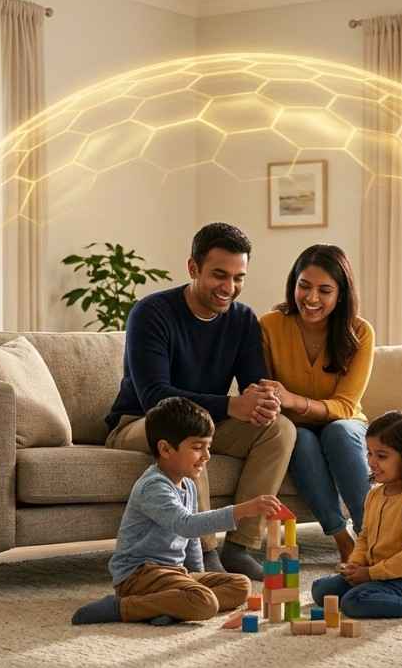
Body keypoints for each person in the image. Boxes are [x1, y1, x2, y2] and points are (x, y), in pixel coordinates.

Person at [105, 222, 295, 580]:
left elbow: (255, 384)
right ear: (193, 269)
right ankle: (206, 553)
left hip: (207, 421)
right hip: (140, 422)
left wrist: (265, 401)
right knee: (191, 439)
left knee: (279, 429)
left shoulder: (241, 320)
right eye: (219, 275)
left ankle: (241, 547)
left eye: (239, 277)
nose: (229, 288)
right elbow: (153, 397)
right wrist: (229, 405)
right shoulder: (151, 313)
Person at [73, 397, 283, 625]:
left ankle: (170, 607)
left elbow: (191, 538)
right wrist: (242, 510)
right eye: (197, 447)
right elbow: (186, 524)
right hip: (140, 575)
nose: (206, 456)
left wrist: (198, 576)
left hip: (174, 572)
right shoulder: (153, 486)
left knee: (241, 585)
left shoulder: (189, 485)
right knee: (206, 602)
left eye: (208, 447)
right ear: (165, 449)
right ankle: (122, 607)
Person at [257, 244, 374, 562]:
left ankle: (372, 536)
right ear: (293, 283)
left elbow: (346, 405)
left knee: (337, 432)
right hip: (295, 426)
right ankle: (341, 539)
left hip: (344, 424)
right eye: (304, 286)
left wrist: (295, 400)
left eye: (324, 290)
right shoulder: (269, 325)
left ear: (341, 294)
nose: (311, 298)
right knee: (298, 439)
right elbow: (263, 389)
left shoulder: (360, 332)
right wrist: (286, 406)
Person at [310, 411, 402, 619]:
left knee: (354, 603)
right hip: (374, 571)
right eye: (369, 453)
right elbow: (365, 536)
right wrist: (356, 562)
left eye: (381, 456)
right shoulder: (375, 495)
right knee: (320, 590)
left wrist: (370, 574)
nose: (371, 462)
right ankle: (371, 588)